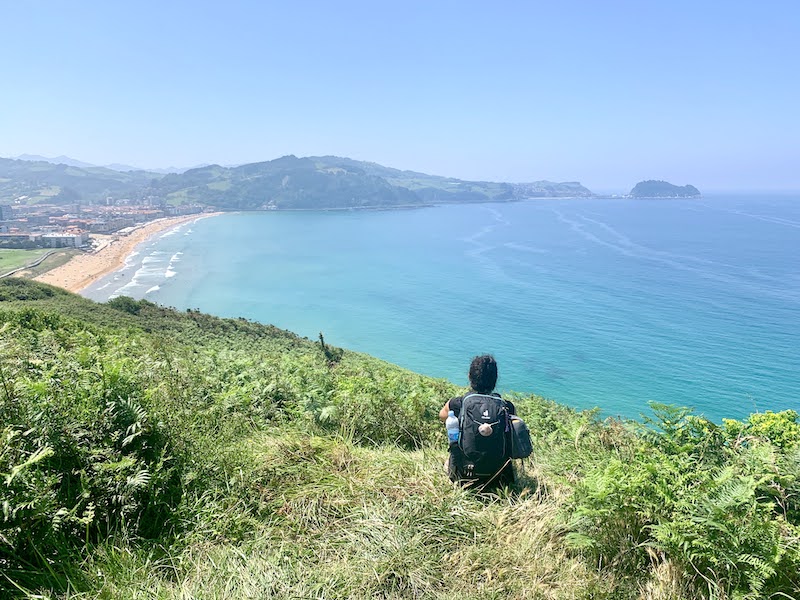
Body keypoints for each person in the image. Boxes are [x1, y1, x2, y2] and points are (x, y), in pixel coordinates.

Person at [439, 354, 516, 488]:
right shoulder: (507, 407)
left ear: (469, 376)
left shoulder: (458, 403)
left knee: (449, 456)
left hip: (463, 475)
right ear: (495, 380)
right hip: (498, 477)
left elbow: (442, 416)